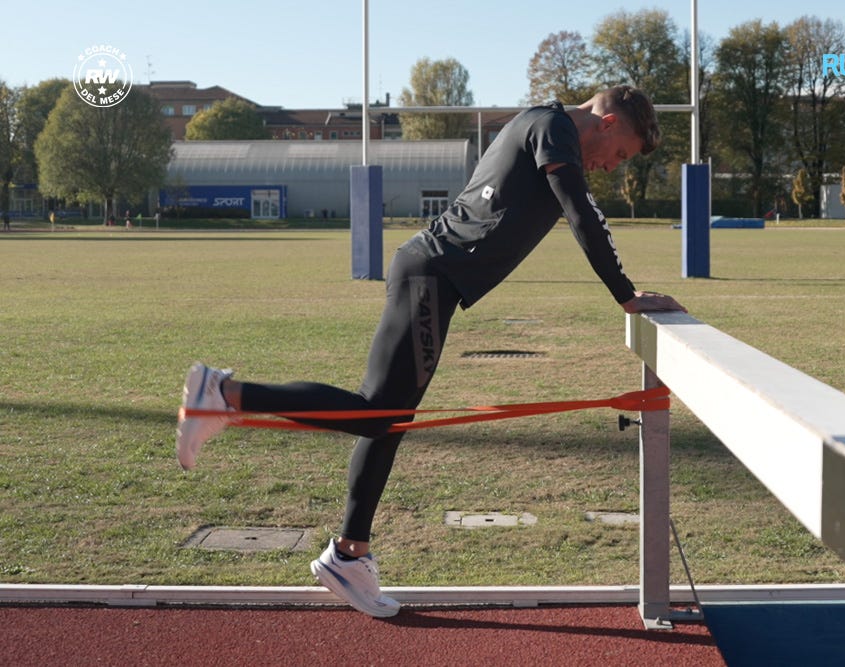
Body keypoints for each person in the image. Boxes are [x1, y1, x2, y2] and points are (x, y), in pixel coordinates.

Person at [175, 85, 687, 618]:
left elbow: (583, 211)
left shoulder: (544, 126)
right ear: (606, 124)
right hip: (432, 274)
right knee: (379, 413)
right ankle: (225, 393)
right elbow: (581, 212)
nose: (611, 166)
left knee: (387, 418)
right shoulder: (553, 128)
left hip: (433, 277)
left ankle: (350, 554)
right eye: (620, 153)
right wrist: (625, 294)